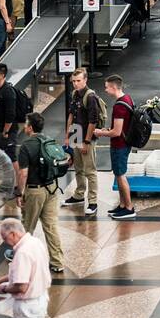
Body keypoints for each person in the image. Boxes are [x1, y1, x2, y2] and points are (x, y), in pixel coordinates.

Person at [14, 112, 65, 275]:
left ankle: (24, 261)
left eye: (26, 124)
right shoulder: (48, 140)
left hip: (34, 191)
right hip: (51, 188)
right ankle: (57, 262)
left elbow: (23, 173)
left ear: (29, 128)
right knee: (51, 227)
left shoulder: (26, 146)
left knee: (27, 227)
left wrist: (19, 192)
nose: (24, 126)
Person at [62, 67, 104, 217]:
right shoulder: (75, 94)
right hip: (75, 134)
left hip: (87, 136)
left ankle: (92, 202)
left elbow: (93, 121)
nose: (75, 84)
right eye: (73, 81)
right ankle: (79, 194)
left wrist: (86, 141)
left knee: (90, 170)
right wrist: (67, 136)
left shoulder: (90, 96)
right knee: (78, 168)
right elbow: (71, 116)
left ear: (85, 80)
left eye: (78, 81)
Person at [94, 75, 135, 219]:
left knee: (120, 175)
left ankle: (129, 207)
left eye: (106, 87)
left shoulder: (119, 106)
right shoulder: (127, 99)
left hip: (120, 145)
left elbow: (116, 132)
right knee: (118, 174)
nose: (105, 90)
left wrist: (101, 132)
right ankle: (123, 205)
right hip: (125, 143)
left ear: (113, 87)